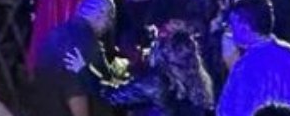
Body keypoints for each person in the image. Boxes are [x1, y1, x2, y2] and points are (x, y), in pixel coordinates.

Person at [62, 24, 214, 116]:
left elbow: (110, 96)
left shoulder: (158, 81)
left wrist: (84, 70)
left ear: (162, 52)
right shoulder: (196, 81)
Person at [32, 0, 120, 116]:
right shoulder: (89, 43)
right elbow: (107, 86)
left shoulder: (53, 34)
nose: (109, 25)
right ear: (101, 14)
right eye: (110, 18)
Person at [217, 0, 290, 116]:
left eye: (232, 24)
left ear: (244, 27)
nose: (230, 30)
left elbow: (233, 109)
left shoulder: (246, 66)